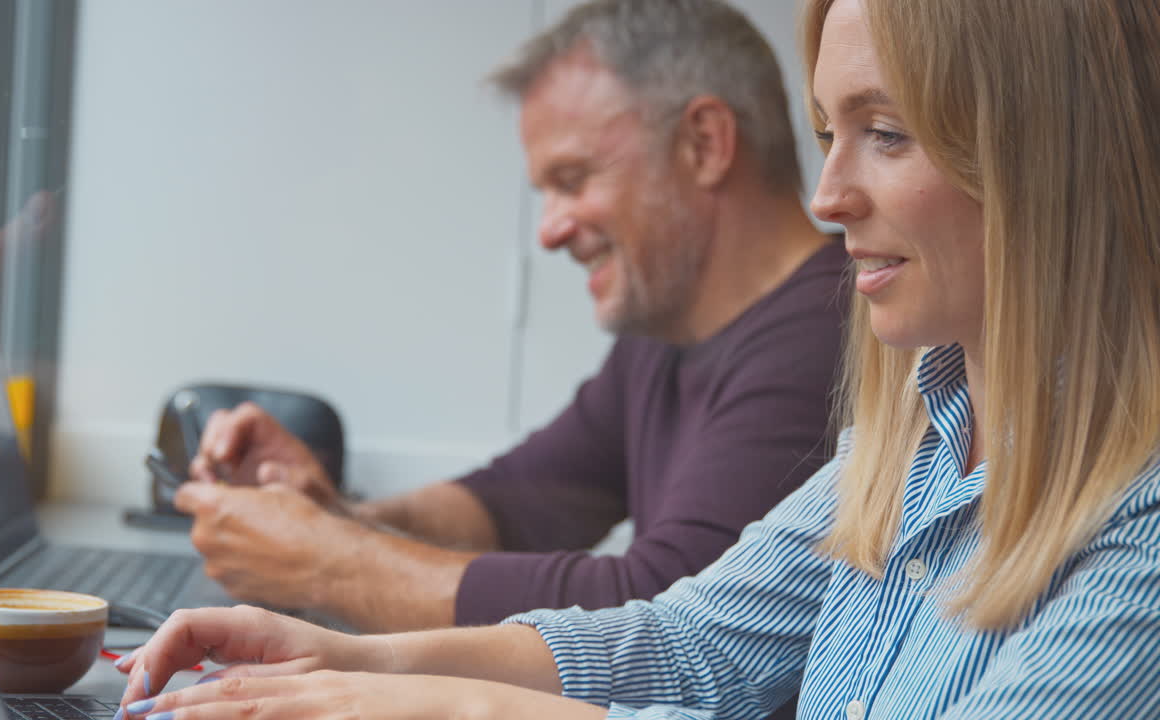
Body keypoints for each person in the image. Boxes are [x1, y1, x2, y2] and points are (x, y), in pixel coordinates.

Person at [112, 0, 1160, 717]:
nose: (829, 194)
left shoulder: (1130, 509)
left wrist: (426, 681)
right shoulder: (911, 430)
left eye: (883, 133)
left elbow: (648, 588)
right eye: (826, 133)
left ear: (1039, 155)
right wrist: (345, 642)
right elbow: (680, 632)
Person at [174, 0, 847, 635]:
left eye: (574, 178)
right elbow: (517, 504)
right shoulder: (666, 333)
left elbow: (661, 620)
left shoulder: (831, 335)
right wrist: (326, 516)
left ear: (703, 143)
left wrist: (326, 562)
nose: (550, 231)